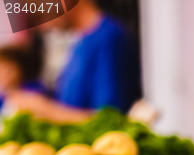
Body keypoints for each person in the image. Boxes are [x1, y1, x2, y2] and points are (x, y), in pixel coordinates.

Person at [7, 0, 141, 123]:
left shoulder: (109, 39)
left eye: (41, 16)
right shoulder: (80, 44)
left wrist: (48, 110)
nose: (42, 27)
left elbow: (109, 120)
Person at [0, 44, 45, 110]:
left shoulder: (34, 89)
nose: (4, 73)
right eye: (1, 68)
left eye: (9, 69)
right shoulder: (3, 94)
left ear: (21, 69)